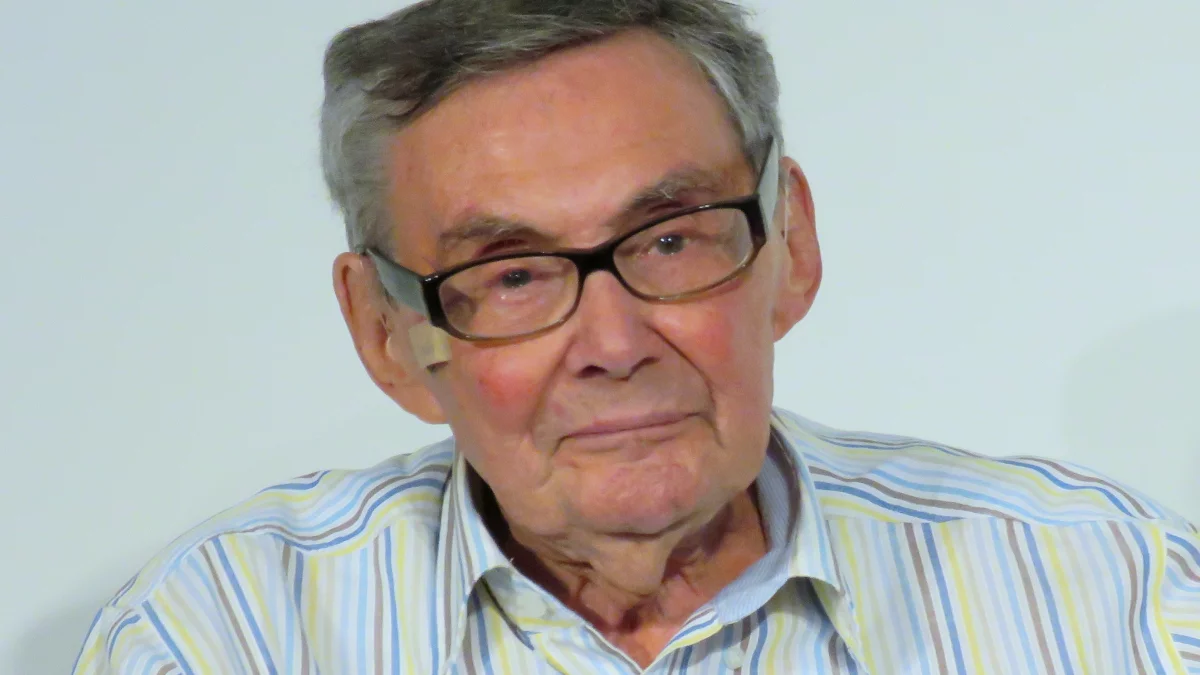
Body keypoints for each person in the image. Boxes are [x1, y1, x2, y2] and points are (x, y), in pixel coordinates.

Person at [74, 0, 1200, 672]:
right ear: (386, 333)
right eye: (512, 275)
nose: (613, 343)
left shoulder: (1116, 600)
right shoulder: (227, 635)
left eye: (667, 241)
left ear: (791, 245)